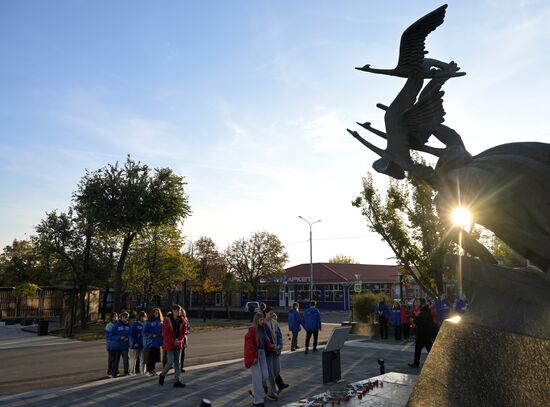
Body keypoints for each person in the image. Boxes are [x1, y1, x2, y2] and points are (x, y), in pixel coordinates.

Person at [244, 312, 273, 407]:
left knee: (265, 375)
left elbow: (266, 341)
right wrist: (253, 357)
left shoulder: (262, 328)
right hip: (255, 356)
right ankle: (258, 401)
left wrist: (272, 347)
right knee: (257, 378)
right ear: (256, 320)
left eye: (263, 319)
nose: (263, 321)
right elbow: (249, 346)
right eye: (261, 320)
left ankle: (253, 390)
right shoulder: (252, 330)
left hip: (262, 354)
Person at [158, 304, 187, 388]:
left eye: (180, 311)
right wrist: (173, 341)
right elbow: (165, 333)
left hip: (178, 344)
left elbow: (183, 332)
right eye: (178, 310)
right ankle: (162, 375)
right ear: (174, 311)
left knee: (178, 363)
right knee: (170, 361)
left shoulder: (182, 320)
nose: (180, 312)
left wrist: (179, 340)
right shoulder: (166, 320)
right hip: (169, 344)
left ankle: (177, 380)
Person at [265, 309, 289, 393]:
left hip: (276, 350)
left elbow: (279, 334)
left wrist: (279, 344)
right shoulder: (263, 324)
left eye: (272, 314)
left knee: (277, 370)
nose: (272, 315)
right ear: (265, 314)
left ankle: (267, 388)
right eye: (270, 314)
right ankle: (270, 391)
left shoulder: (275, 323)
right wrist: (271, 346)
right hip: (268, 351)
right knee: (269, 373)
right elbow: (263, 338)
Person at [408, 298, 434, 368]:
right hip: (425, 334)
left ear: (422, 304)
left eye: (418, 303)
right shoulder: (425, 311)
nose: (417, 304)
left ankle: (416, 363)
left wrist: (415, 319)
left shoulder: (424, 312)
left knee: (423, 349)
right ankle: (416, 363)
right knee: (425, 349)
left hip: (423, 334)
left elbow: (419, 322)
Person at [143, 308, 163, 375]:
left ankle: (153, 370)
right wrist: (151, 335)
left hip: (157, 342)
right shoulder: (148, 322)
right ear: (152, 313)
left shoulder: (161, 322)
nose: (157, 314)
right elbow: (144, 332)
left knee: (154, 358)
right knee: (149, 358)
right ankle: (149, 371)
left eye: (158, 313)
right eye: (155, 313)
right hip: (149, 342)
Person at [110, 312, 131, 377]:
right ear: (121, 318)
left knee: (126, 360)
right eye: (125, 317)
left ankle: (126, 373)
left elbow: (130, 334)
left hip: (125, 346)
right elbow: (111, 335)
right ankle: (114, 373)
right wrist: (119, 337)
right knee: (116, 361)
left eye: (127, 317)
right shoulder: (116, 325)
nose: (126, 318)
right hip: (117, 346)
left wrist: (128, 338)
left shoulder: (129, 325)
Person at [129, 311, 146, 375]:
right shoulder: (135, 324)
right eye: (142, 317)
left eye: (144, 317)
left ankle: (142, 371)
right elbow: (132, 335)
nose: (143, 318)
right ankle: (131, 372)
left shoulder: (146, 324)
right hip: (136, 344)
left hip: (143, 344)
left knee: (143, 359)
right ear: (139, 317)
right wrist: (134, 343)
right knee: (133, 359)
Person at [104, 313, 118, 377]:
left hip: (118, 345)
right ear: (111, 317)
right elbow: (107, 336)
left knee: (116, 359)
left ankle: (115, 371)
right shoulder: (109, 325)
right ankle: (109, 372)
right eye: (114, 316)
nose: (115, 317)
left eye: (116, 316)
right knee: (111, 359)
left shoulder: (118, 324)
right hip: (111, 345)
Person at [180, 308, 191, 373]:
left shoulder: (186, 319)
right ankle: (177, 366)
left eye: (182, 312)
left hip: (184, 338)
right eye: (179, 312)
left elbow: (189, 328)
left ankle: (181, 367)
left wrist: (187, 332)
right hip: (178, 338)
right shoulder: (176, 319)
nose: (180, 313)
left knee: (182, 353)